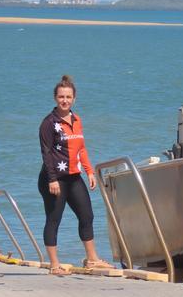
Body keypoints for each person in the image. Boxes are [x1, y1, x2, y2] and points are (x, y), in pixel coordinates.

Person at [38, 75, 114, 275]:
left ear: (74, 98)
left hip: (73, 177)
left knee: (87, 215)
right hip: (54, 178)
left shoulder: (76, 119)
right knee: (54, 219)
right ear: (55, 98)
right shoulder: (49, 123)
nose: (65, 100)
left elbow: (81, 148)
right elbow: (46, 153)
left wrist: (89, 172)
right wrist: (52, 179)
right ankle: (54, 265)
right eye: (61, 96)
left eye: (68, 97)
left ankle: (92, 260)